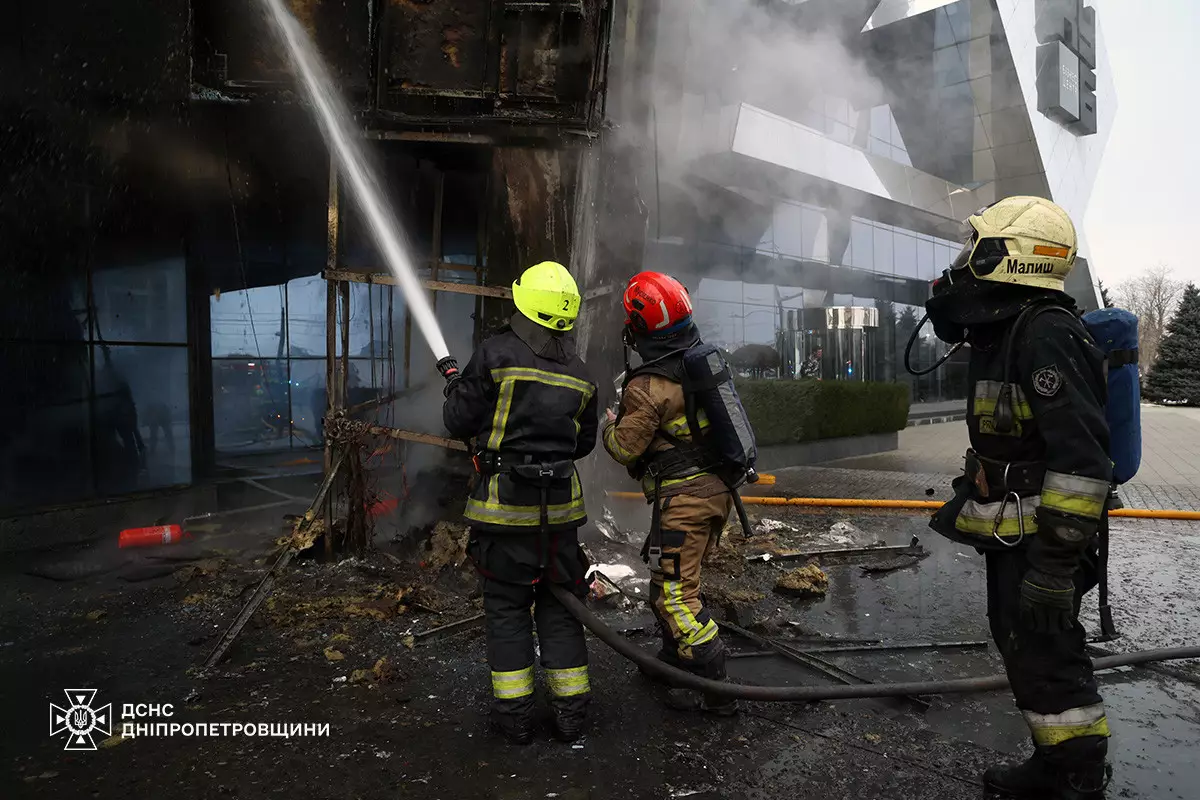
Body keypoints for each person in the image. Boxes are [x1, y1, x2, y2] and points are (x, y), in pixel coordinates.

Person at [924, 196, 1113, 799]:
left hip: (1045, 537)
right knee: (1024, 646)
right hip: (1017, 529)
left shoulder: (1047, 332)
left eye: (977, 247)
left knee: (1046, 652)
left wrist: (1055, 568)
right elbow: (961, 324)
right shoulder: (1010, 327)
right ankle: (1056, 762)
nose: (965, 259)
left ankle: (1076, 775)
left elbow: (1084, 464)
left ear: (1016, 256)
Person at [439, 261, 598, 745]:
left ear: (524, 304)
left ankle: (515, 720)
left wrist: (457, 388)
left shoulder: (495, 354)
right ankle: (571, 715)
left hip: (504, 515)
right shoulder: (582, 374)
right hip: (561, 520)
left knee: (508, 610)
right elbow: (583, 443)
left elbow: (458, 420)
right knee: (560, 608)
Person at [601, 271, 738, 716]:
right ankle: (673, 660)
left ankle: (715, 681)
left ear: (641, 326)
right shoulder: (696, 363)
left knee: (677, 597)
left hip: (685, 501)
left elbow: (625, 448)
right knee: (665, 583)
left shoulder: (648, 386)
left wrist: (608, 425)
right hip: (713, 492)